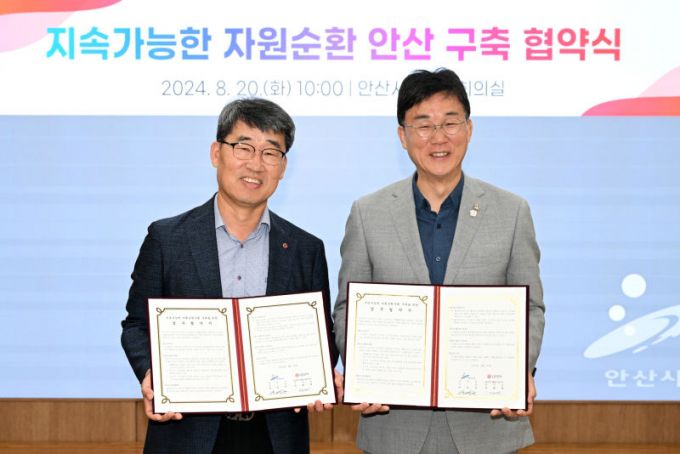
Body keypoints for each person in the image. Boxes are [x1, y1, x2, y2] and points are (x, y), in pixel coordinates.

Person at [332, 68, 545, 454]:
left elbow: (531, 308)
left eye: (450, 122)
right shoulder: (367, 213)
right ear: (403, 136)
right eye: (424, 125)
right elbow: (348, 307)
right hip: (394, 427)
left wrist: (517, 372)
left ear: (469, 129)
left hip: (486, 429)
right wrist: (364, 374)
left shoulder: (512, 211)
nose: (439, 137)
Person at [121, 98, 334, 454]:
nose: (256, 164)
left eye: (271, 152)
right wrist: (149, 373)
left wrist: (319, 373)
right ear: (216, 153)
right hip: (186, 432)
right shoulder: (167, 239)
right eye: (243, 147)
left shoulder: (305, 248)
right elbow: (136, 325)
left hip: (275, 436)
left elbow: (323, 333)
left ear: (283, 167)